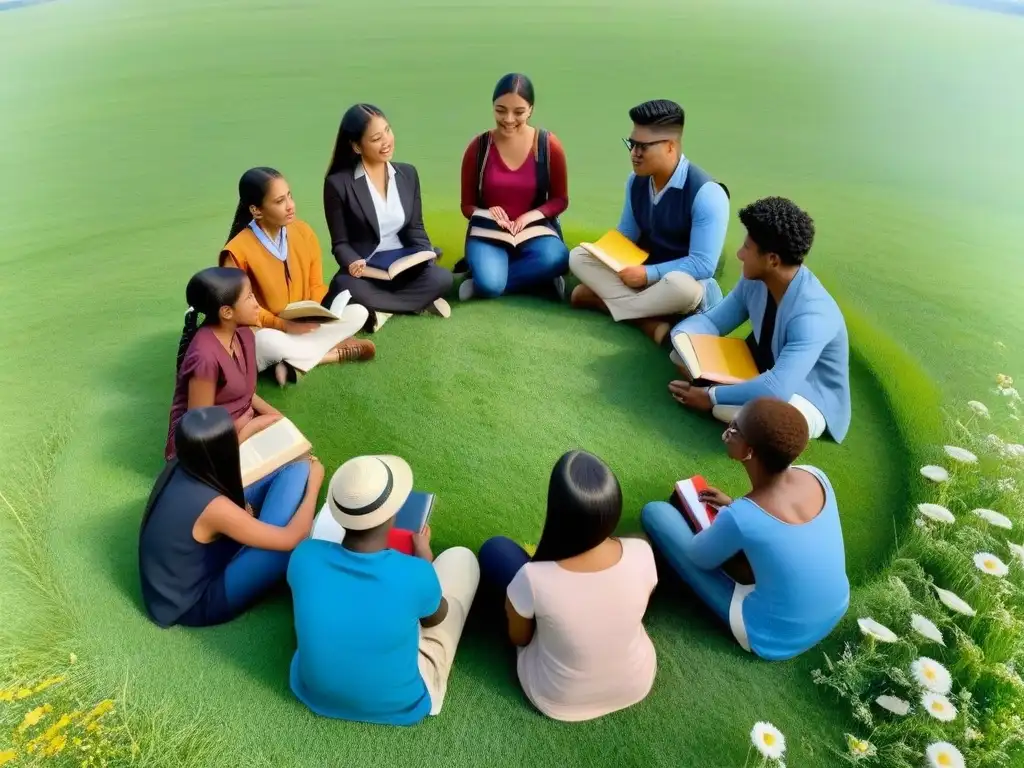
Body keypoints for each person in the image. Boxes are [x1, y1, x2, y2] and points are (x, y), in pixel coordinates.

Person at [641, 397, 849, 661]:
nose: (728, 430)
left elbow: (699, 557)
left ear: (749, 451)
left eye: (735, 429)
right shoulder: (816, 475)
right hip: (834, 608)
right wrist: (734, 506)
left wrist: (732, 514)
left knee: (656, 513)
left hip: (772, 635)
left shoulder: (743, 516)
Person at [288, 455, 479, 725]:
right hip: (403, 702)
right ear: (393, 514)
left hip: (313, 692)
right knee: (462, 558)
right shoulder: (416, 572)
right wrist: (424, 556)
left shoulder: (304, 555)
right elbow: (435, 617)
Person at [478, 450, 657, 722]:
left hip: (558, 696)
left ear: (558, 511)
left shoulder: (533, 577)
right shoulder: (642, 551)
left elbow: (520, 638)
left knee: (496, 550)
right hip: (636, 680)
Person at [668, 197, 851, 442]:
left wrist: (710, 396)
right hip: (762, 370)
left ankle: (729, 399)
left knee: (749, 416)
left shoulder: (813, 315)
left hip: (807, 396)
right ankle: (731, 393)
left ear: (772, 260)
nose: (740, 254)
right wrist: (682, 336)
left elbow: (777, 387)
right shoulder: (755, 280)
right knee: (679, 353)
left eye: (747, 248)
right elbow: (713, 322)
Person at [139, 407, 324, 628]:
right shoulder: (213, 507)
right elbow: (292, 537)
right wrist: (314, 485)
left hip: (177, 579)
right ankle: (258, 532)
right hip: (196, 602)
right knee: (286, 550)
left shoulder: (185, 461)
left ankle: (256, 530)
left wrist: (251, 427)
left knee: (295, 463)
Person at [568, 99, 730, 345]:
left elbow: (703, 264)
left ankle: (607, 303)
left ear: (670, 147)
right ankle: (648, 320)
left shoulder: (708, 194)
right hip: (643, 279)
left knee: (682, 287)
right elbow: (626, 235)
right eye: (632, 144)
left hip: (684, 285)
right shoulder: (636, 181)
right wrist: (600, 253)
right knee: (578, 256)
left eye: (643, 147)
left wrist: (647, 274)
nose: (634, 154)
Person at [220, 167, 375, 385]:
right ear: (256, 210)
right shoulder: (236, 252)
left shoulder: (303, 232)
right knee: (264, 343)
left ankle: (291, 360)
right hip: (268, 329)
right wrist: (284, 325)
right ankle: (332, 354)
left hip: (305, 324)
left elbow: (316, 285)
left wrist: (321, 314)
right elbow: (242, 311)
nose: (290, 205)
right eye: (279, 201)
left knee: (358, 313)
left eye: (289, 196)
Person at [323, 104, 453, 333]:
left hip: (403, 267)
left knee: (441, 278)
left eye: (388, 131)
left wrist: (425, 256)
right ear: (356, 146)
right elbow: (340, 244)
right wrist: (353, 262)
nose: (386, 141)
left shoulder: (408, 174)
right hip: (367, 272)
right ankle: (417, 303)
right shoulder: (338, 184)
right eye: (375, 138)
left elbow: (415, 227)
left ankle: (382, 310)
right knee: (345, 286)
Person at [457, 73, 570, 301]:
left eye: (518, 112)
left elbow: (560, 199)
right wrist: (486, 213)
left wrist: (528, 217)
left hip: (534, 230)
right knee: (491, 285)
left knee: (558, 258)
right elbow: (467, 205)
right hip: (489, 231)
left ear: (531, 110)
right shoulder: (479, 147)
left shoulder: (548, 145)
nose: (508, 119)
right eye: (500, 110)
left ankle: (489, 279)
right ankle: (526, 279)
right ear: (493, 107)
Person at [164, 267, 282, 460]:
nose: (257, 305)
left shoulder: (244, 334)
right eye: (249, 297)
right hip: (204, 450)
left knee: (309, 465)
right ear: (227, 312)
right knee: (293, 469)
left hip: (239, 426)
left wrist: (279, 419)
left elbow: (245, 394)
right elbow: (199, 433)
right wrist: (249, 428)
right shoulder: (204, 356)